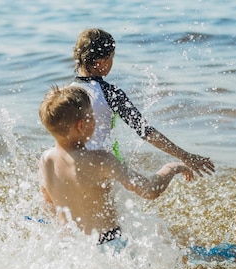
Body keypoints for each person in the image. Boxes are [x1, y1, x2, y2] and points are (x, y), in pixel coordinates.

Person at [38, 84, 194, 244]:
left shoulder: (46, 160)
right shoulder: (100, 159)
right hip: (107, 243)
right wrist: (172, 167)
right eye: (92, 115)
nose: (95, 120)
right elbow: (149, 190)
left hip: (71, 246)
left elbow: (48, 203)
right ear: (81, 125)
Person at [70, 28, 215, 177]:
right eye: (112, 57)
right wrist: (185, 156)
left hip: (71, 165)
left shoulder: (65, 93)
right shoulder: (110, 93)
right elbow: (146, 131)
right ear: (101, 61)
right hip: (103, 167)